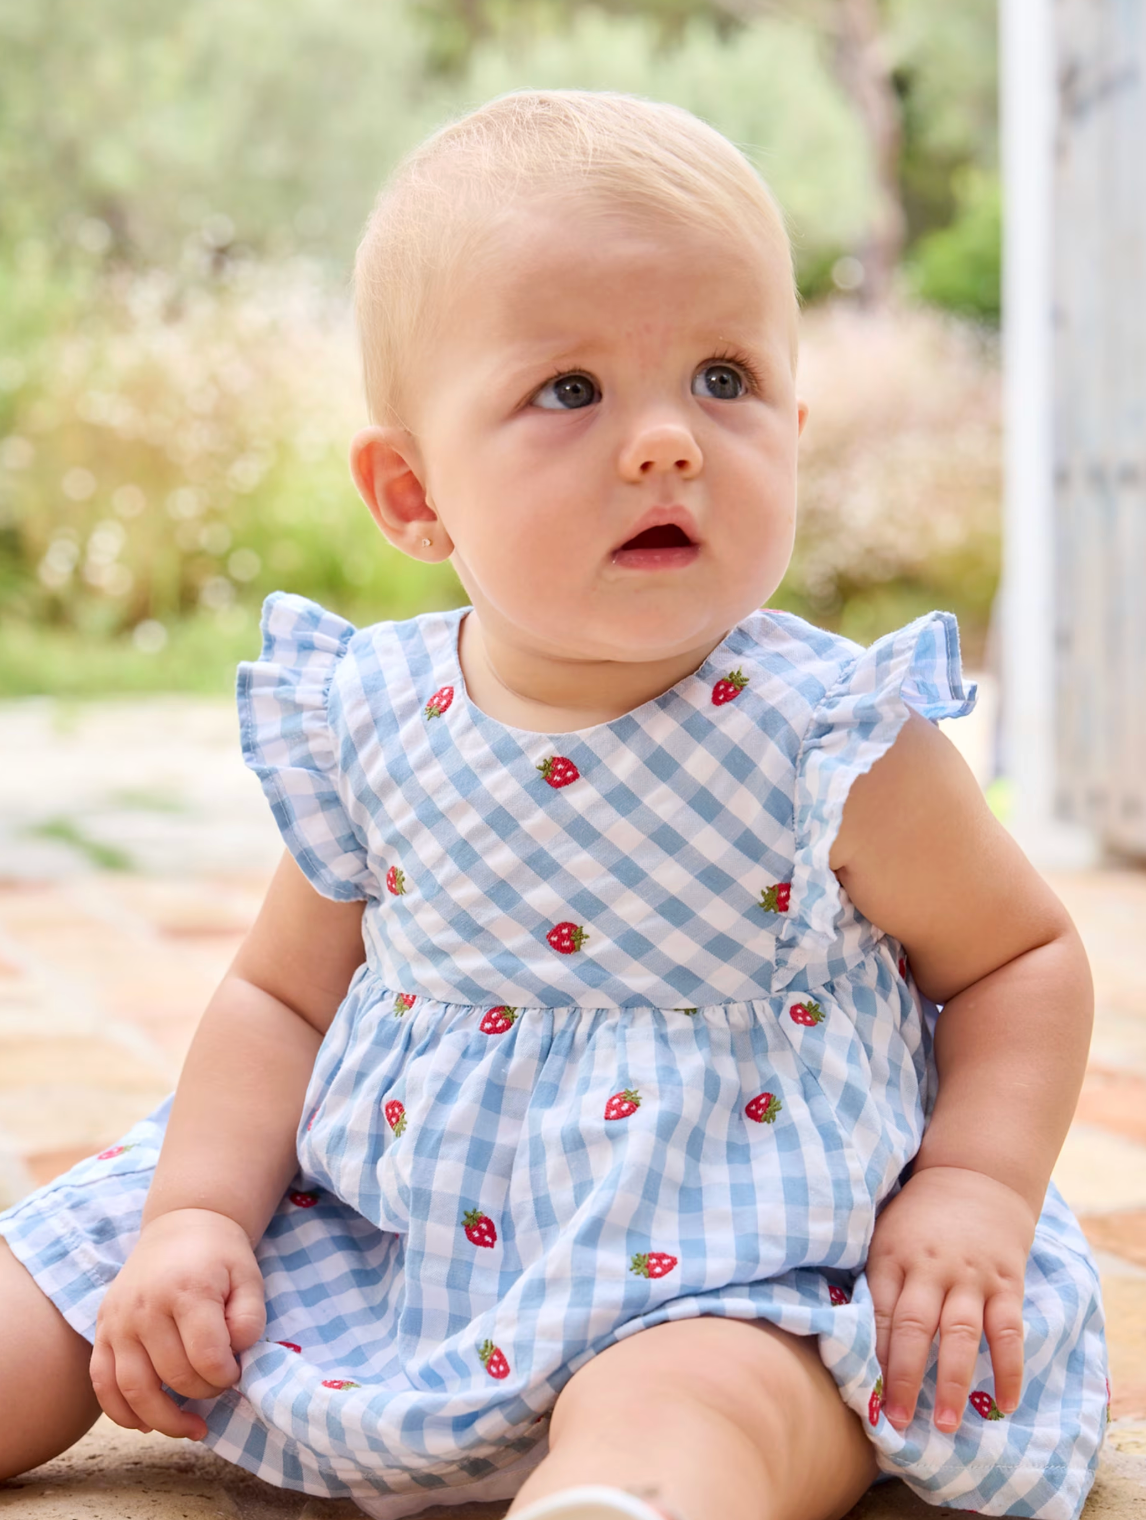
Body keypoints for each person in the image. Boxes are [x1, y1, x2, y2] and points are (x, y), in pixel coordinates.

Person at [0, 89, 1106, 1520]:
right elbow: (279, 1000)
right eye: (571, 391)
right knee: (67, 1275)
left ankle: (621, 1496)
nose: (667, 444)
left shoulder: (827, 737)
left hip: (727, 1239)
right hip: (381, 1222)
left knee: (712, 1397)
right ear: (412, 495)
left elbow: (1019, 958)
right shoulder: (372, 717)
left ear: (793, 419)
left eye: (723, 379)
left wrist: (971, 1188)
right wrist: (200, 1216)